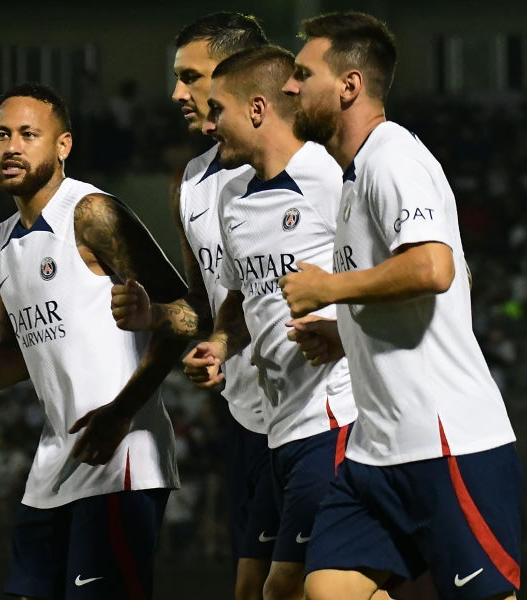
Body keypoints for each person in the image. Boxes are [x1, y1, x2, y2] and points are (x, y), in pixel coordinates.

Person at [0, 83, 185, 600]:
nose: (12, 146)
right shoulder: (0, 241)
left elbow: (186, 314)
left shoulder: (91, 212)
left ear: (63, 145)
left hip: (121, 460)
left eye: (29, 134)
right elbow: (14, 353)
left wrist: (123, 411)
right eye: (2, 134)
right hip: (54, 464)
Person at [279, 12, 521, 600]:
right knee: (326, 591)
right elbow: (400, 286)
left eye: (303, 74)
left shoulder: (394, 158)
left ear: (349, 86)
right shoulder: (353, 177)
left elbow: (432, 268)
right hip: (376, 452)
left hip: (446, 442)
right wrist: (346, 334)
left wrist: (329, 290)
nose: (290, 86)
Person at [111, 13, 278, 599]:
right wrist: (156, 316)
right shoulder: (190, 181)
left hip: (322, 414)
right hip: (246, 418)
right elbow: (205, 308)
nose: (176, 93)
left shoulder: (312, 166)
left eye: (190, 76)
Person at [187, 45, 358, 600]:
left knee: (291, 588)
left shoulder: (330, 177)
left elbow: (398, 270)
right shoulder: (231, 199)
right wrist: (218, 342)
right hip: (272, 430)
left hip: (332, 418)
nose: (210, 125)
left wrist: (343, 332)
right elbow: (241, 299)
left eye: (219, 110)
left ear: (257, 109)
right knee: (257, 589)